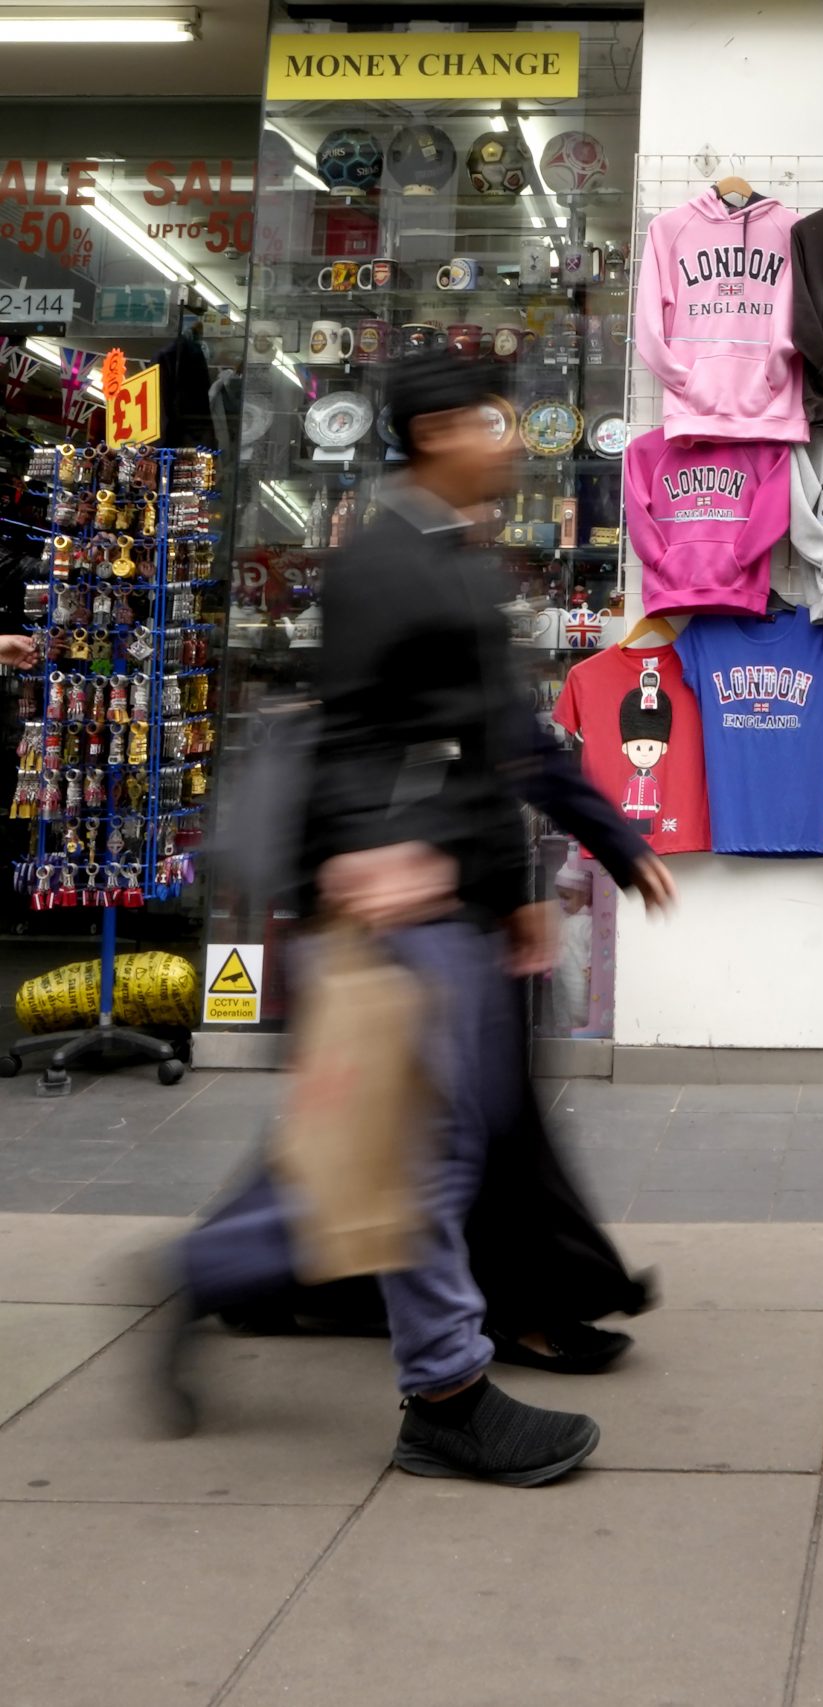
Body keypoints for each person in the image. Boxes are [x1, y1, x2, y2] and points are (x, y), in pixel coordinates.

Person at [160, 351, 678, 1485]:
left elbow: (505, 739)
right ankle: (445, 1393)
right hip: (407, 897)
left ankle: (219, 1272)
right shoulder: (387, 562)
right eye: (497, 419)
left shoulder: (452, 551)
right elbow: (350, 732)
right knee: (422, 1152)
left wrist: (581, 858)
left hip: (461, 895)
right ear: (441, 430)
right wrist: (360, 860)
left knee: (442, 1138)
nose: (513, 439)